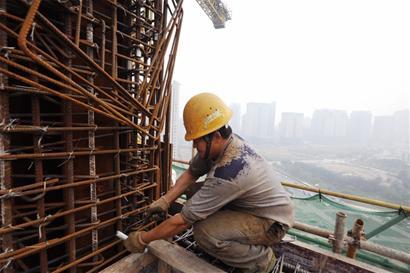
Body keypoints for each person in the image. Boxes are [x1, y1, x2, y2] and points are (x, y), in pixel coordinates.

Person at [124, 92, 294, 273]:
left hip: (271, 223)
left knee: (204, 233)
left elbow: (183, 222)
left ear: (216, 136)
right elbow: (191, 173)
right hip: (251, 207)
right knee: (194, 193)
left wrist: (143, 239)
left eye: (197, 141)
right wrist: (165, 201)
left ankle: (262, 262)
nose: (195, 146)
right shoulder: (221, 144)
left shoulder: (230, 171)